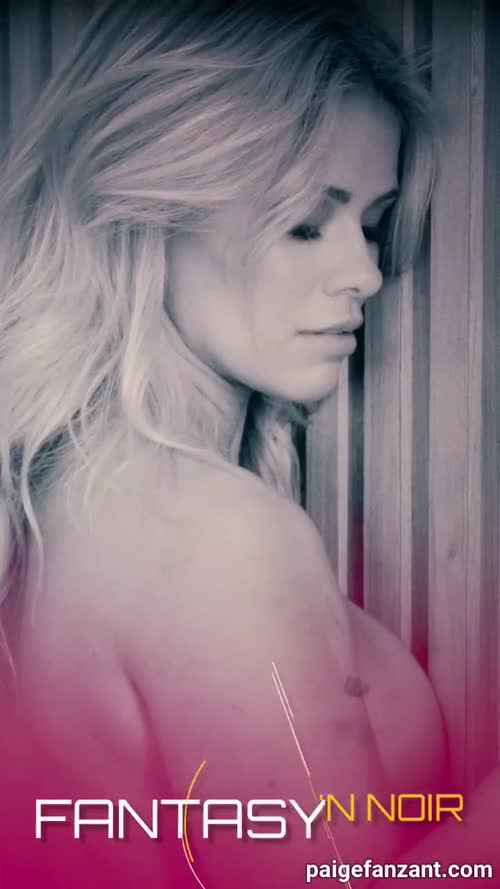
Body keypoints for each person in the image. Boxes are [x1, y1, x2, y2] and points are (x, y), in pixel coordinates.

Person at [0, 1, 449, 886]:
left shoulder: (61, 502)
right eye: (307, 222)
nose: (367, 273)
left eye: (374, 223)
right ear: (152, 208)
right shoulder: (217, 536)